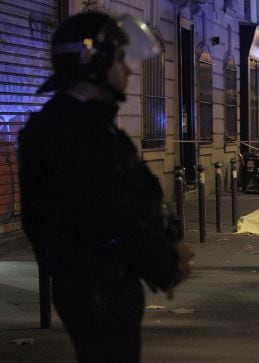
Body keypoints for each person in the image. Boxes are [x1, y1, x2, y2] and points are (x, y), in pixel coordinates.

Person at [17, 12, 192, 362]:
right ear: (95, 62)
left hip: (105, 284)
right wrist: (165, 261)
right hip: (97, 287)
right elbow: (105, 216)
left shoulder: (88, 124)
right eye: (119, 59)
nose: (128, 70)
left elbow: (128, 195)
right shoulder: (68, 131)